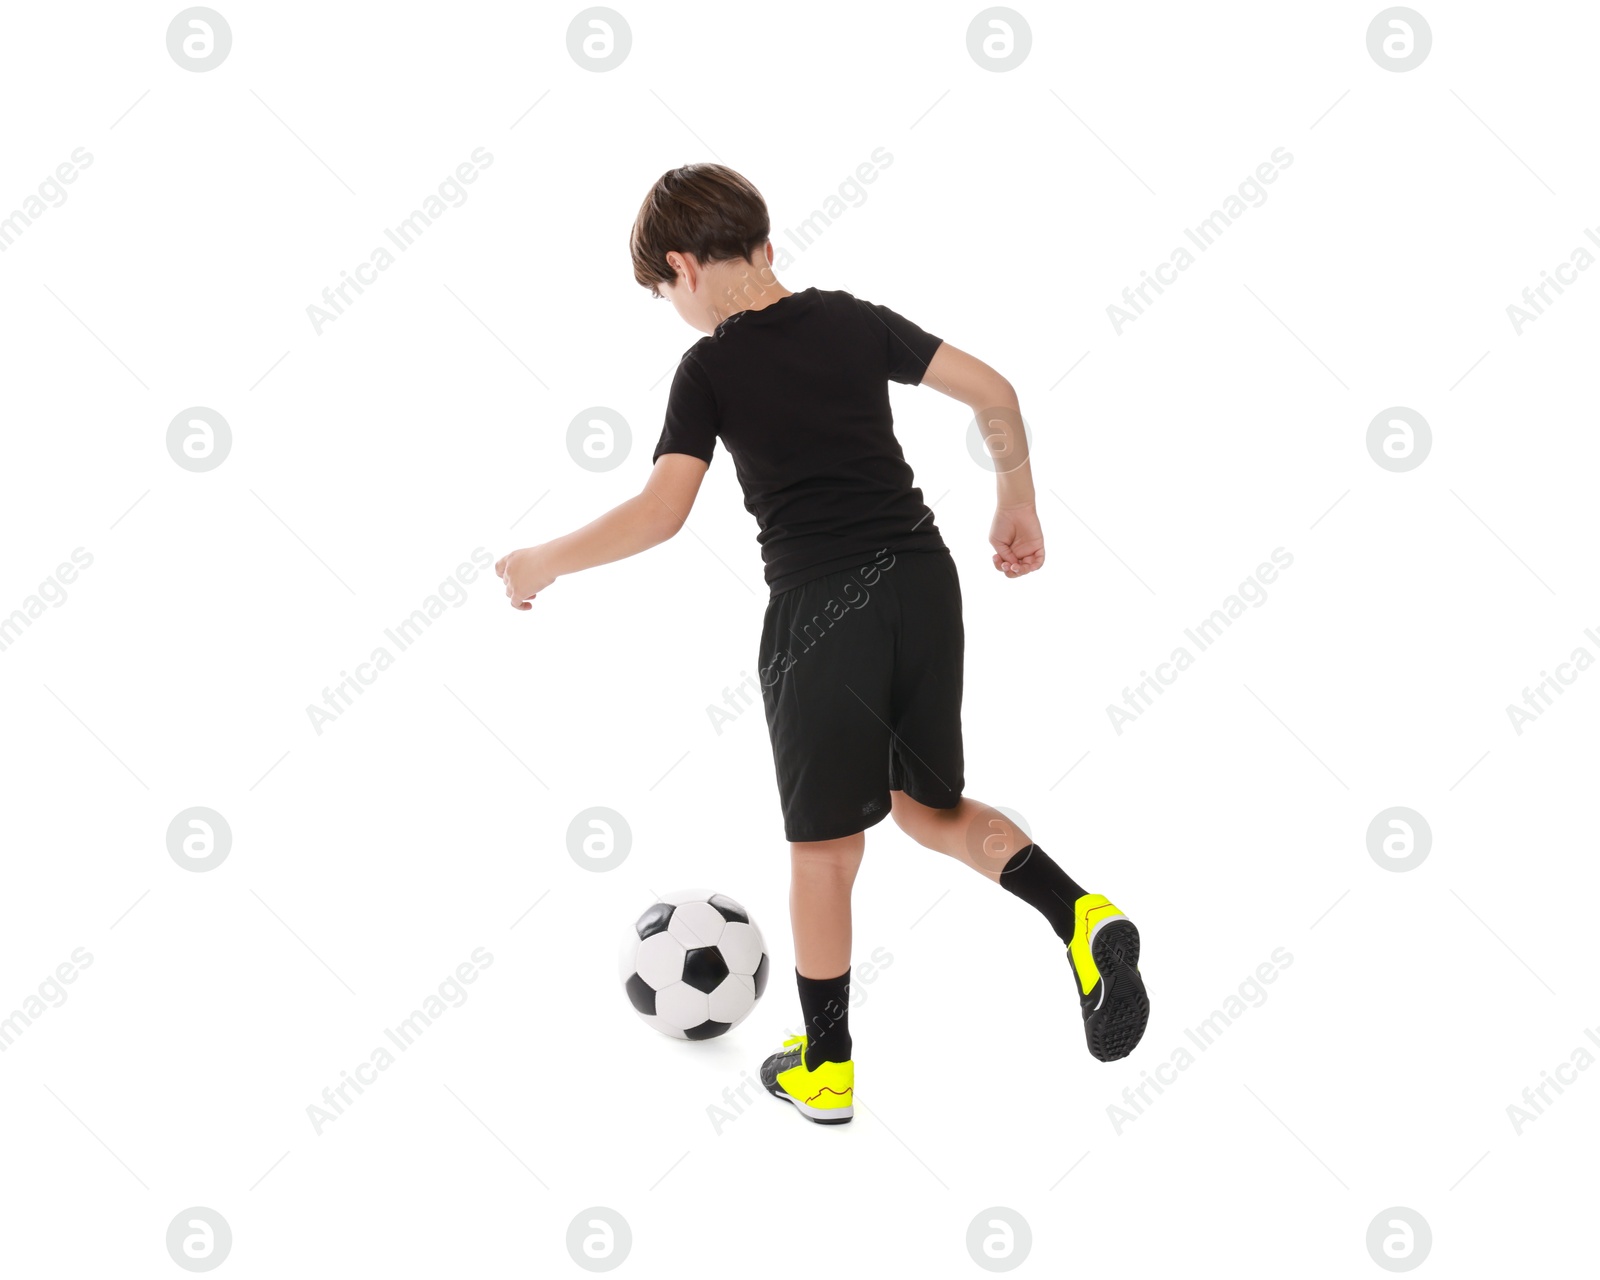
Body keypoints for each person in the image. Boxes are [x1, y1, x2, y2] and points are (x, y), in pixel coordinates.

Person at [495, 164, 1147, 1125]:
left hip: (821, 610)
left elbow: (664, 511)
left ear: (681, 268)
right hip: (924, 582)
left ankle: (827, 1067)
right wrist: (1016, 500)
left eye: (665, 293)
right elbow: (995, 392)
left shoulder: (709, 367)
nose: (676, 310)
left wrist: (543, 561)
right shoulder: (850, 319)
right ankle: (1081, 918)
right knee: (926, 807)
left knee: (825, 855)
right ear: (765, 243)